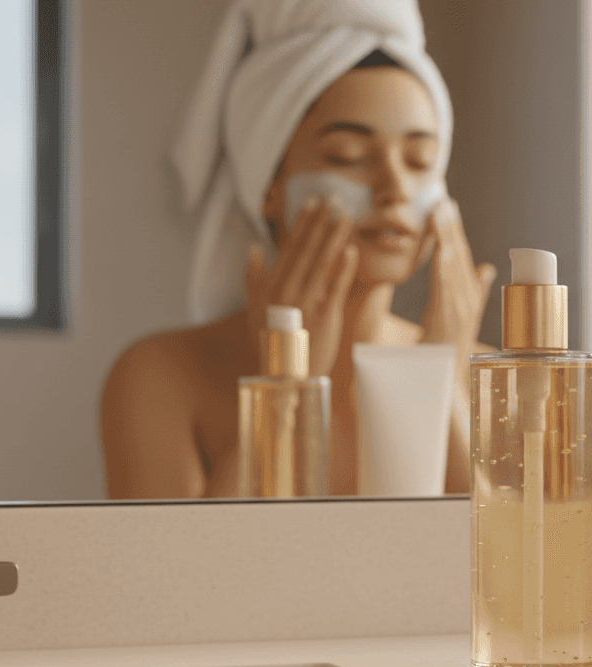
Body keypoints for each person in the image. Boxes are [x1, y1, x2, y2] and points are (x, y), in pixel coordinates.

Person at [101, 0, 494, 499]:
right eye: (347, 157)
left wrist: (446, 383)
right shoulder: (162, 378)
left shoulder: (489, 374)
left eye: (420, 161)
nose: (394, 187)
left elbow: (519, 570)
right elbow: (181, 573)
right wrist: (285, 387)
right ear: (269, 184)